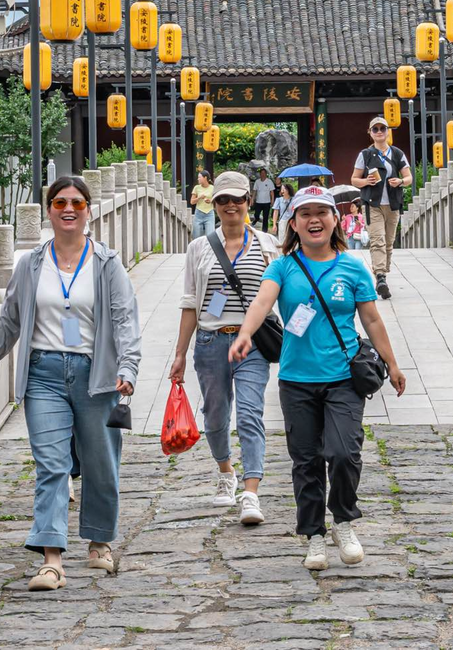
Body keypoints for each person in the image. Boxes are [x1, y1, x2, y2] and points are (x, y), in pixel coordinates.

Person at [0, 175, 141, 590]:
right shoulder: (31, 263)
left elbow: (124, 319)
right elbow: (9, 320)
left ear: (88, 211)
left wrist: (128, 367)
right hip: (43, 373)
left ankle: (99, 541)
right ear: (48, 210)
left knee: (101, 463)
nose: (68, 209)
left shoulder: (106, 262)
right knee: (52, 465)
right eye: (60, 202)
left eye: (77, 203)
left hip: (95, 375)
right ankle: (52, 560)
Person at [229, 186, 405, 572]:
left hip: (343, 377)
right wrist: (245, 333)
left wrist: (392, 364)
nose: (314, 220)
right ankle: (314, 535)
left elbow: (372, 319)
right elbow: (262, 301)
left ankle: (342, 520)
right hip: (296, 380)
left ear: (335, 220)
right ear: (293, 224)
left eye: (321, 212)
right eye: (305, 213)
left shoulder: (352, 267)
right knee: (305, 461)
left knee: (344, 453)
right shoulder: (282, 267)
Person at [167, 171, 277, 527]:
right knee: (215, 414)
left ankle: (251, 492)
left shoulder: (267, 245)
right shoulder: (199, 248)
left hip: (253, 343)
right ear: (213, 204)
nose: (231, 205)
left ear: (249, 202)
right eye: (223, 200)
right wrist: (180, 353)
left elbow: (281, 292)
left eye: (238, 199)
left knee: (249, 413)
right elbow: (190, 303)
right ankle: (226, 471)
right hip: (211, 340)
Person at [350, 118, 412, 300]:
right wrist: (366, 181)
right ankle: (380, 277)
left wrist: (400, 181)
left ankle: (383, 272)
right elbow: (354, 179)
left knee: (389, 242)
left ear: (387, 131)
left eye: (382, 128)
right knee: (378, 240)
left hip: (392, 204)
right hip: (372, 204)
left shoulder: (397, 153)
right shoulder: (365, 155)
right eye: (375, 129)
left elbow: (408, 177)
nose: (379, 132)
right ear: (370, 132)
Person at [188, 173, 215, 240]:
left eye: (199, 177)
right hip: (198, 214)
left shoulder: (213, 188)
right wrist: (199, 197)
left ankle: (208, 247)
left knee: (210, 236)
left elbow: (217, 201)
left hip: (209, 214)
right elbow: (192, 202)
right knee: (196, 237)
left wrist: (210, 201)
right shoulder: (196, 188)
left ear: (205, 178)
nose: (198, 179)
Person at [252, 168, 275, 232]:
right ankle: (256, 219)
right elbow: (254, 191)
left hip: (267, 202)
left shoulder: (269, 181)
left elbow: (272, 192)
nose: (263, 174)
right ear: (260, 174)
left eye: (264, 173)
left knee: (265, 217)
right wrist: (252, 199)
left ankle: (264, 231)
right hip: (258, 202)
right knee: (256, 214)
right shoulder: (257, 181)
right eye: (261, 173)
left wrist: (272, 200)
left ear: (266, 174)